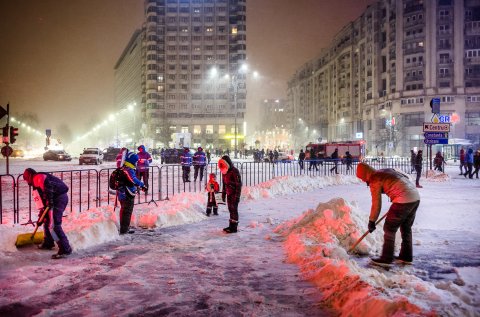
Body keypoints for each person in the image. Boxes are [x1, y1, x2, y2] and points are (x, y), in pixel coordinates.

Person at [356, 162, 420, 267]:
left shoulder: (374, 179)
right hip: (415, 197)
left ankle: (386, 258)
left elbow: (376, 204)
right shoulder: (385, 171)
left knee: (389, 228)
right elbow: (405, 177)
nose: (363, 181)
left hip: (403, 199)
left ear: (365, 175)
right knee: (406, 228)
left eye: (362, 178)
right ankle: (406, 256)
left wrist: (372, 221)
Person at [23, 168, 72, 259]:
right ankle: (48, 243)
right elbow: (41, 203)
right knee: (46, 220)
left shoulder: (38, 177)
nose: (26, 182)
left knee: (53, 225)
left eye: (26, 178)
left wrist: (49, 202)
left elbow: (48, 189)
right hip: (53, 200)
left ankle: (65, 249)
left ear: (29, 176)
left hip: (58, 198)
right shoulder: (35, 185)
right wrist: (40, 217)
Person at [117, 152, 146, 234]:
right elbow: (133, 179)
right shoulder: (128, 169)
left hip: (123, 193)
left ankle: (124, 228)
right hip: (127, 194)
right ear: (133, 161)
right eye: (136, 161)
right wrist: (142, 184)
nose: (137, 163)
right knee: (127, 212)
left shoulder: (124, 167)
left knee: (124, 211)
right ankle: (124, 230)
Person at [218, 155, 242, 233]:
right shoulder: (224, 171)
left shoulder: (234, 171)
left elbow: (238, 184)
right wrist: (223, 194)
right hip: (229, 193)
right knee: (230, 209)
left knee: (234, 210)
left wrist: (237, 196)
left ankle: (234, 227)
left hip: (234, 194)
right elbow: (224, 184)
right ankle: (231, 225)